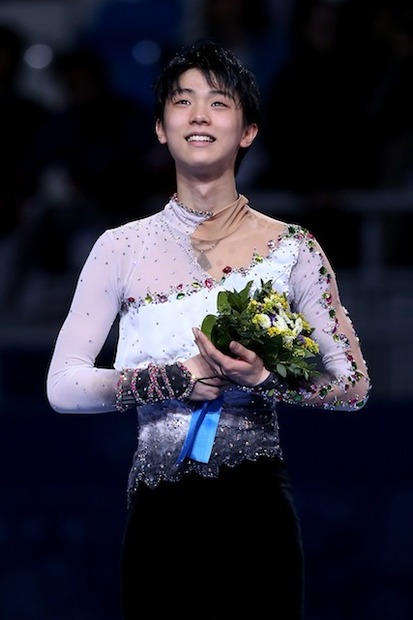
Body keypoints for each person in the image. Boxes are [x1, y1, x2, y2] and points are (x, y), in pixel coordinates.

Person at [46, 39, 371, 620]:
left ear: (247, 131)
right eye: (182, 101)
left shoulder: (293, 249)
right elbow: (64, 386)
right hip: (159, 515)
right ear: (160, 128)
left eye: (219, 103)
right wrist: (172, 378)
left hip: (258, 514)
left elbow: (352, 387)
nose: (199, 114)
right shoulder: (120, 248)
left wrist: (266, 377)